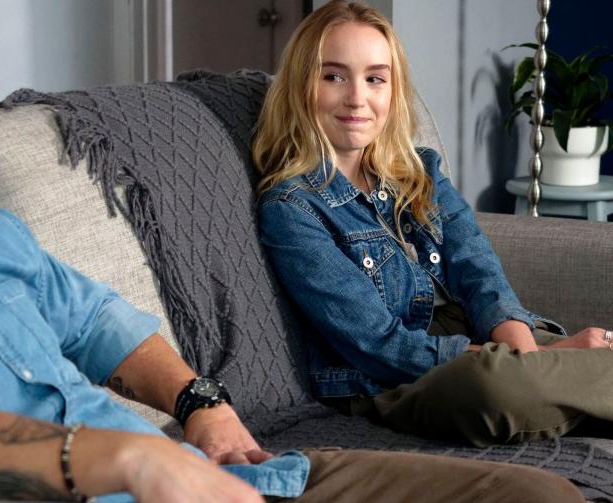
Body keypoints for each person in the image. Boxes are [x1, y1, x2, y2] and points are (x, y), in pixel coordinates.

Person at [0, 7, 583, 503]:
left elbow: (96, 317)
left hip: (240, 473)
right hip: (140, 484)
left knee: (537, 498)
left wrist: (198, 402)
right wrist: (128, 458)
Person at [255, 0, 613, 451]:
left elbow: (478, 271)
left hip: (482, 341)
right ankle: (580, 385)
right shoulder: (292, 208)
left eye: (375, 79)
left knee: (565, 360)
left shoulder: (422, 172)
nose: (357, 98)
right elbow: (377, 344)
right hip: (394, 378)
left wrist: (525, 350)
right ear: (300, 85)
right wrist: (542, 359)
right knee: (496, 387)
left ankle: (563, 384)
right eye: (333, 77)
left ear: (393, 91)